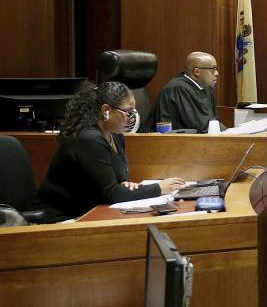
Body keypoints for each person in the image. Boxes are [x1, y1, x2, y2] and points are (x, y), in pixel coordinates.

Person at [38, 81, 185, 218]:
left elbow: (121, 182)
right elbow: (112, 193)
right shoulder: (89, 139)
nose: (131, 118)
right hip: (61, 217)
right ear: (106, 110)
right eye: (128, 112)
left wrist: (127, 186)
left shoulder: (116, 136)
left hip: (93, 211)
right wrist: (159, 188)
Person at [144, 52, 221, 133]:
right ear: (197, 72)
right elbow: (199, 127)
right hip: (174, 142)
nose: (216, 73)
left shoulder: (204, 88)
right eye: (213, 69)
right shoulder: (178, 89)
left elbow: (213, 122)